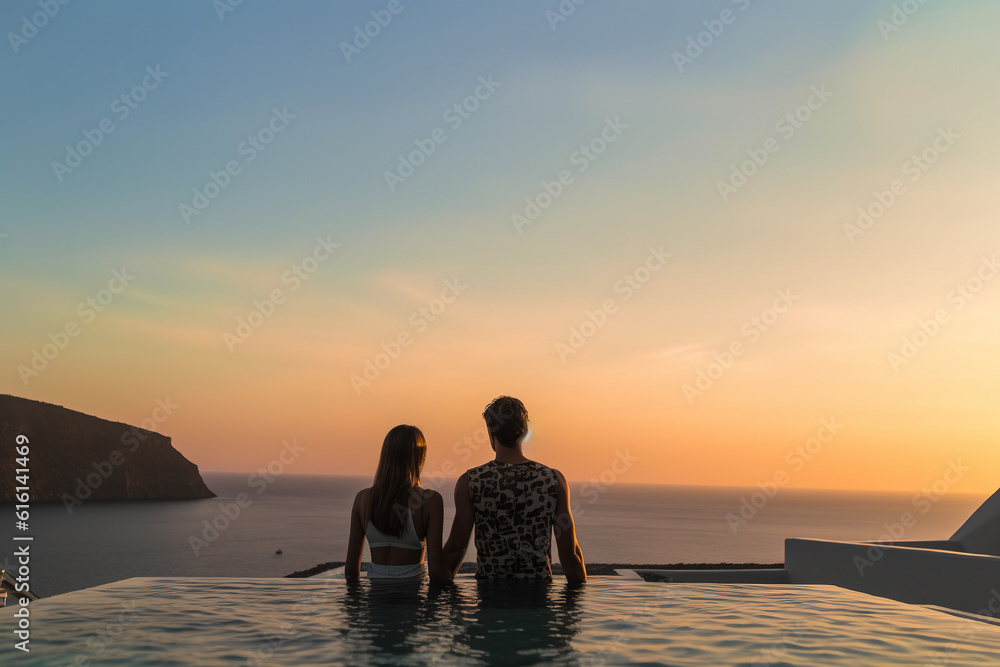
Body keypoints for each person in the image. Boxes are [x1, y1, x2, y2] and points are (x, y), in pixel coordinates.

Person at [443, 396, 587, 584]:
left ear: (490, 432)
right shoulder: (552, 480)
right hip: (538, 599)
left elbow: (456, 549)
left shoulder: (471, 482)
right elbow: (570, 555)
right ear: (525, 431)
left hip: (490, 599)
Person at [345, 425, 451, 583]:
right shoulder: (429, 500)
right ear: (419, 457)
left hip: (376, 600)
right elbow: (436, 571)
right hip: (413, 600)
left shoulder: (362, 499)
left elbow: (352, 570)